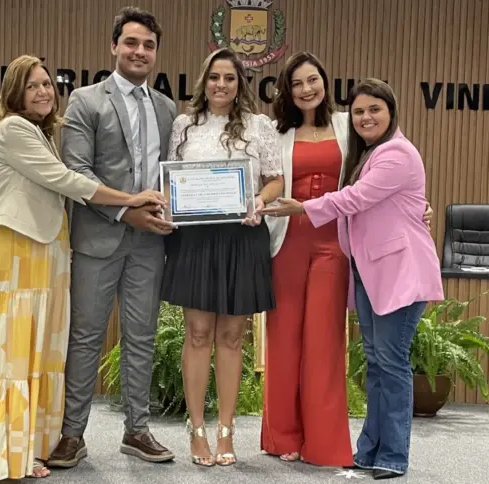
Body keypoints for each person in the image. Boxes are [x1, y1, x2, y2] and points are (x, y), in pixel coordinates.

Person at [0, 54, 165, 483]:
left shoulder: (41, 131)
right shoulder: (13, 128)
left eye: (47, 84)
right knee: (12, 349)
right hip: (18, 246)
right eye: (31, 85)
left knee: (37, 349)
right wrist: (130, 200)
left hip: (46, 248)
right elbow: (66, 180)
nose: (43, 92)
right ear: (14, 92)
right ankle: (2, 452)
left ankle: (28, 445)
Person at [261, 78, 444, 480]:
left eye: (374, 109)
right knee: (377, 363)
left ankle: (392, 455)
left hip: (399, 273)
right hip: (371, 271)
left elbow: (355, 199)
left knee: (391, 364)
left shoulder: (396, 152)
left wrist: (303, 208)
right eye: (359, 111)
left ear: (392, 111)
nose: (365, 118)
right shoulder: (369, 153)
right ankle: (369, 449)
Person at [48, 7, 177, 468]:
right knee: (85, 337)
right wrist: (127, 211)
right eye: (132, 42)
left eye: (148, 45)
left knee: (141, 337)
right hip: (98, 239)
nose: (140, 51)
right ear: (114, 46)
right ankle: (72, 434)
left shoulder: (167, 108)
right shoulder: (85, 101)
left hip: (149, 243)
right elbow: (77, 172)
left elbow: (171, 174)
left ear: (156, 52)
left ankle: (137, 431)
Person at [162, 47, 283, 467]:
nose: (221, 84)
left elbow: (275, 180)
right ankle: (197, 431)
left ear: (240, 84)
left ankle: (226, 431)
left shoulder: (259, 125)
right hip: (195, 240)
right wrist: (171, 202)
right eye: (215, 76)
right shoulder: (184, 125)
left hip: (242, 237)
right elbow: (172, 180)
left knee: (231, 336)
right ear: (204, 80)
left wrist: (259, 200)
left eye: (230, 78)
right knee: (197, 333)